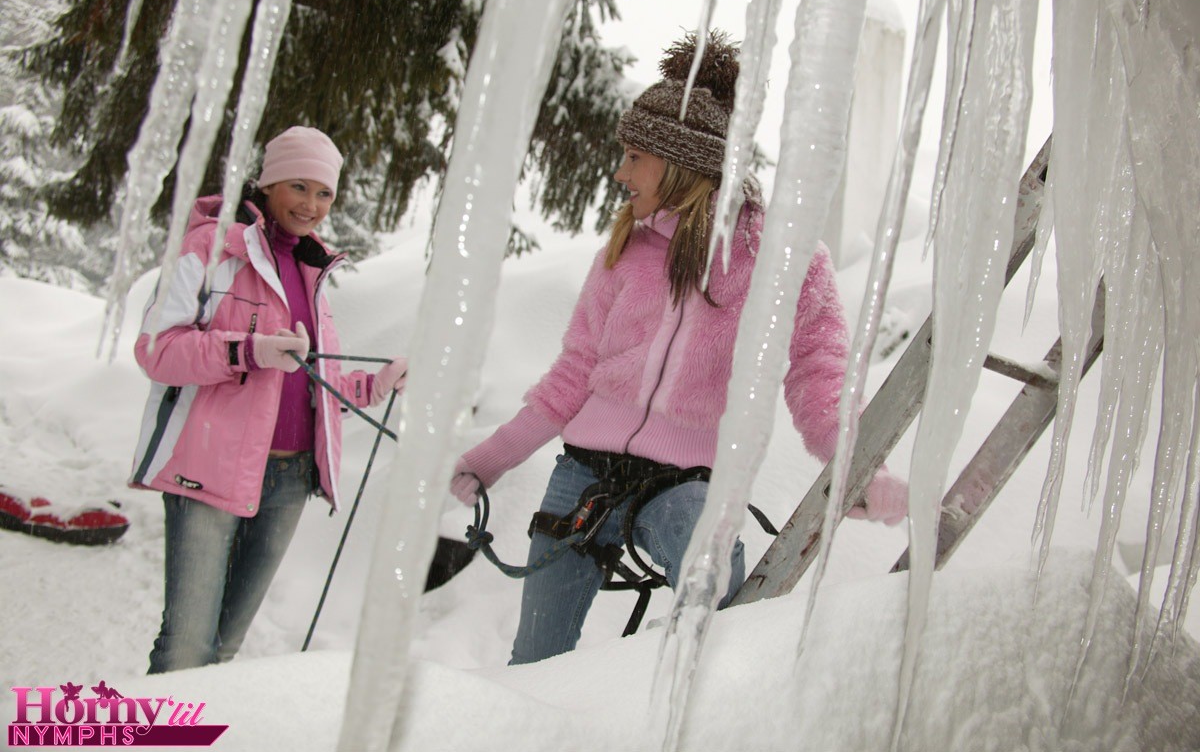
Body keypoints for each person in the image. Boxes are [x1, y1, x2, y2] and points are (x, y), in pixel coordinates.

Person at [448, 33, 908, 666]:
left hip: (686, 486)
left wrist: (859, 465)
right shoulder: (623, 252)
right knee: (535, 661)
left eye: (635, 156)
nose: (620, 173)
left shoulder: (782, 258)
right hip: (582, 478)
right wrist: (490, 458)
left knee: (715, 617)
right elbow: (574, 371)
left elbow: (817, 372)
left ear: (681, 163)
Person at [130, 126, 407, 673]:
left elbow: (303, 378)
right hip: (209, 471)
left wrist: (372, 387)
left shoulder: (312, 266)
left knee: (226, 648)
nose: (311, 205)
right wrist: (248, 350)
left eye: (324, 193)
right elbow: (157, 351)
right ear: (268, 182)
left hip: (289, 480)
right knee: (186, 649)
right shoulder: (213, 249)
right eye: (298, 187)